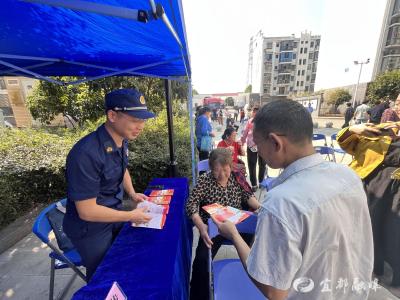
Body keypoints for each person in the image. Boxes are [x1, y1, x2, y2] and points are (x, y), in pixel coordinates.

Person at [213, 99, 374, 299]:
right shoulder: (347, 175)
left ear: (275, 142)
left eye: (257, 143)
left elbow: (273, 290)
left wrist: (234, 235)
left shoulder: (281, 203)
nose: (258, 151)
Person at [63, 89, 154, 281]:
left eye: (143, 120)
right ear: (112, 115)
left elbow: (122, 168)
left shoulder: (121, 139)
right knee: (104, 275)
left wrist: (132, 193)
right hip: (89, 228)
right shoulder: (85, 154)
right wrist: (130, 215)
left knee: (125, 262)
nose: (141, 126)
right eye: (135, 120)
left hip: (113, 212)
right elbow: (87, 211)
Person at [186, 148, 260, 300]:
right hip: (214, 229)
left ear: (230, 167)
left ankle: (253, 286)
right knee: (201, 261)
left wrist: (260, 208)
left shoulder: (236, 177)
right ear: (211, 169)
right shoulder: (205, 180)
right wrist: (201, 226)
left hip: (239, 225)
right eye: (216, 171)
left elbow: (248, 196)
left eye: (225, 170)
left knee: (257, 252)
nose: (221, 175)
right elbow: (191, 204)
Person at [338, 121, 400, 286]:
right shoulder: (382, 127)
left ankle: (396, 274)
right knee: (370, 225)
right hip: (373, 183)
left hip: (396, 187)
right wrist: (353, 129)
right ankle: (374, 267)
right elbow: (344, 141)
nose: (398, 106)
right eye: (398, 102)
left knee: (394, 230)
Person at [241, 107, 267, 191]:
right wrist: (242, 142)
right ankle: (254, 184)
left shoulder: (264, 122)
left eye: (256, 112)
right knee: (252, 165)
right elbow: (245, 132)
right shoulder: (249, 121)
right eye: (253, 112)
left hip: (262, 146)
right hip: (251, 146)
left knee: (262, 165)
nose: (254, 113)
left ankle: (261, 182)